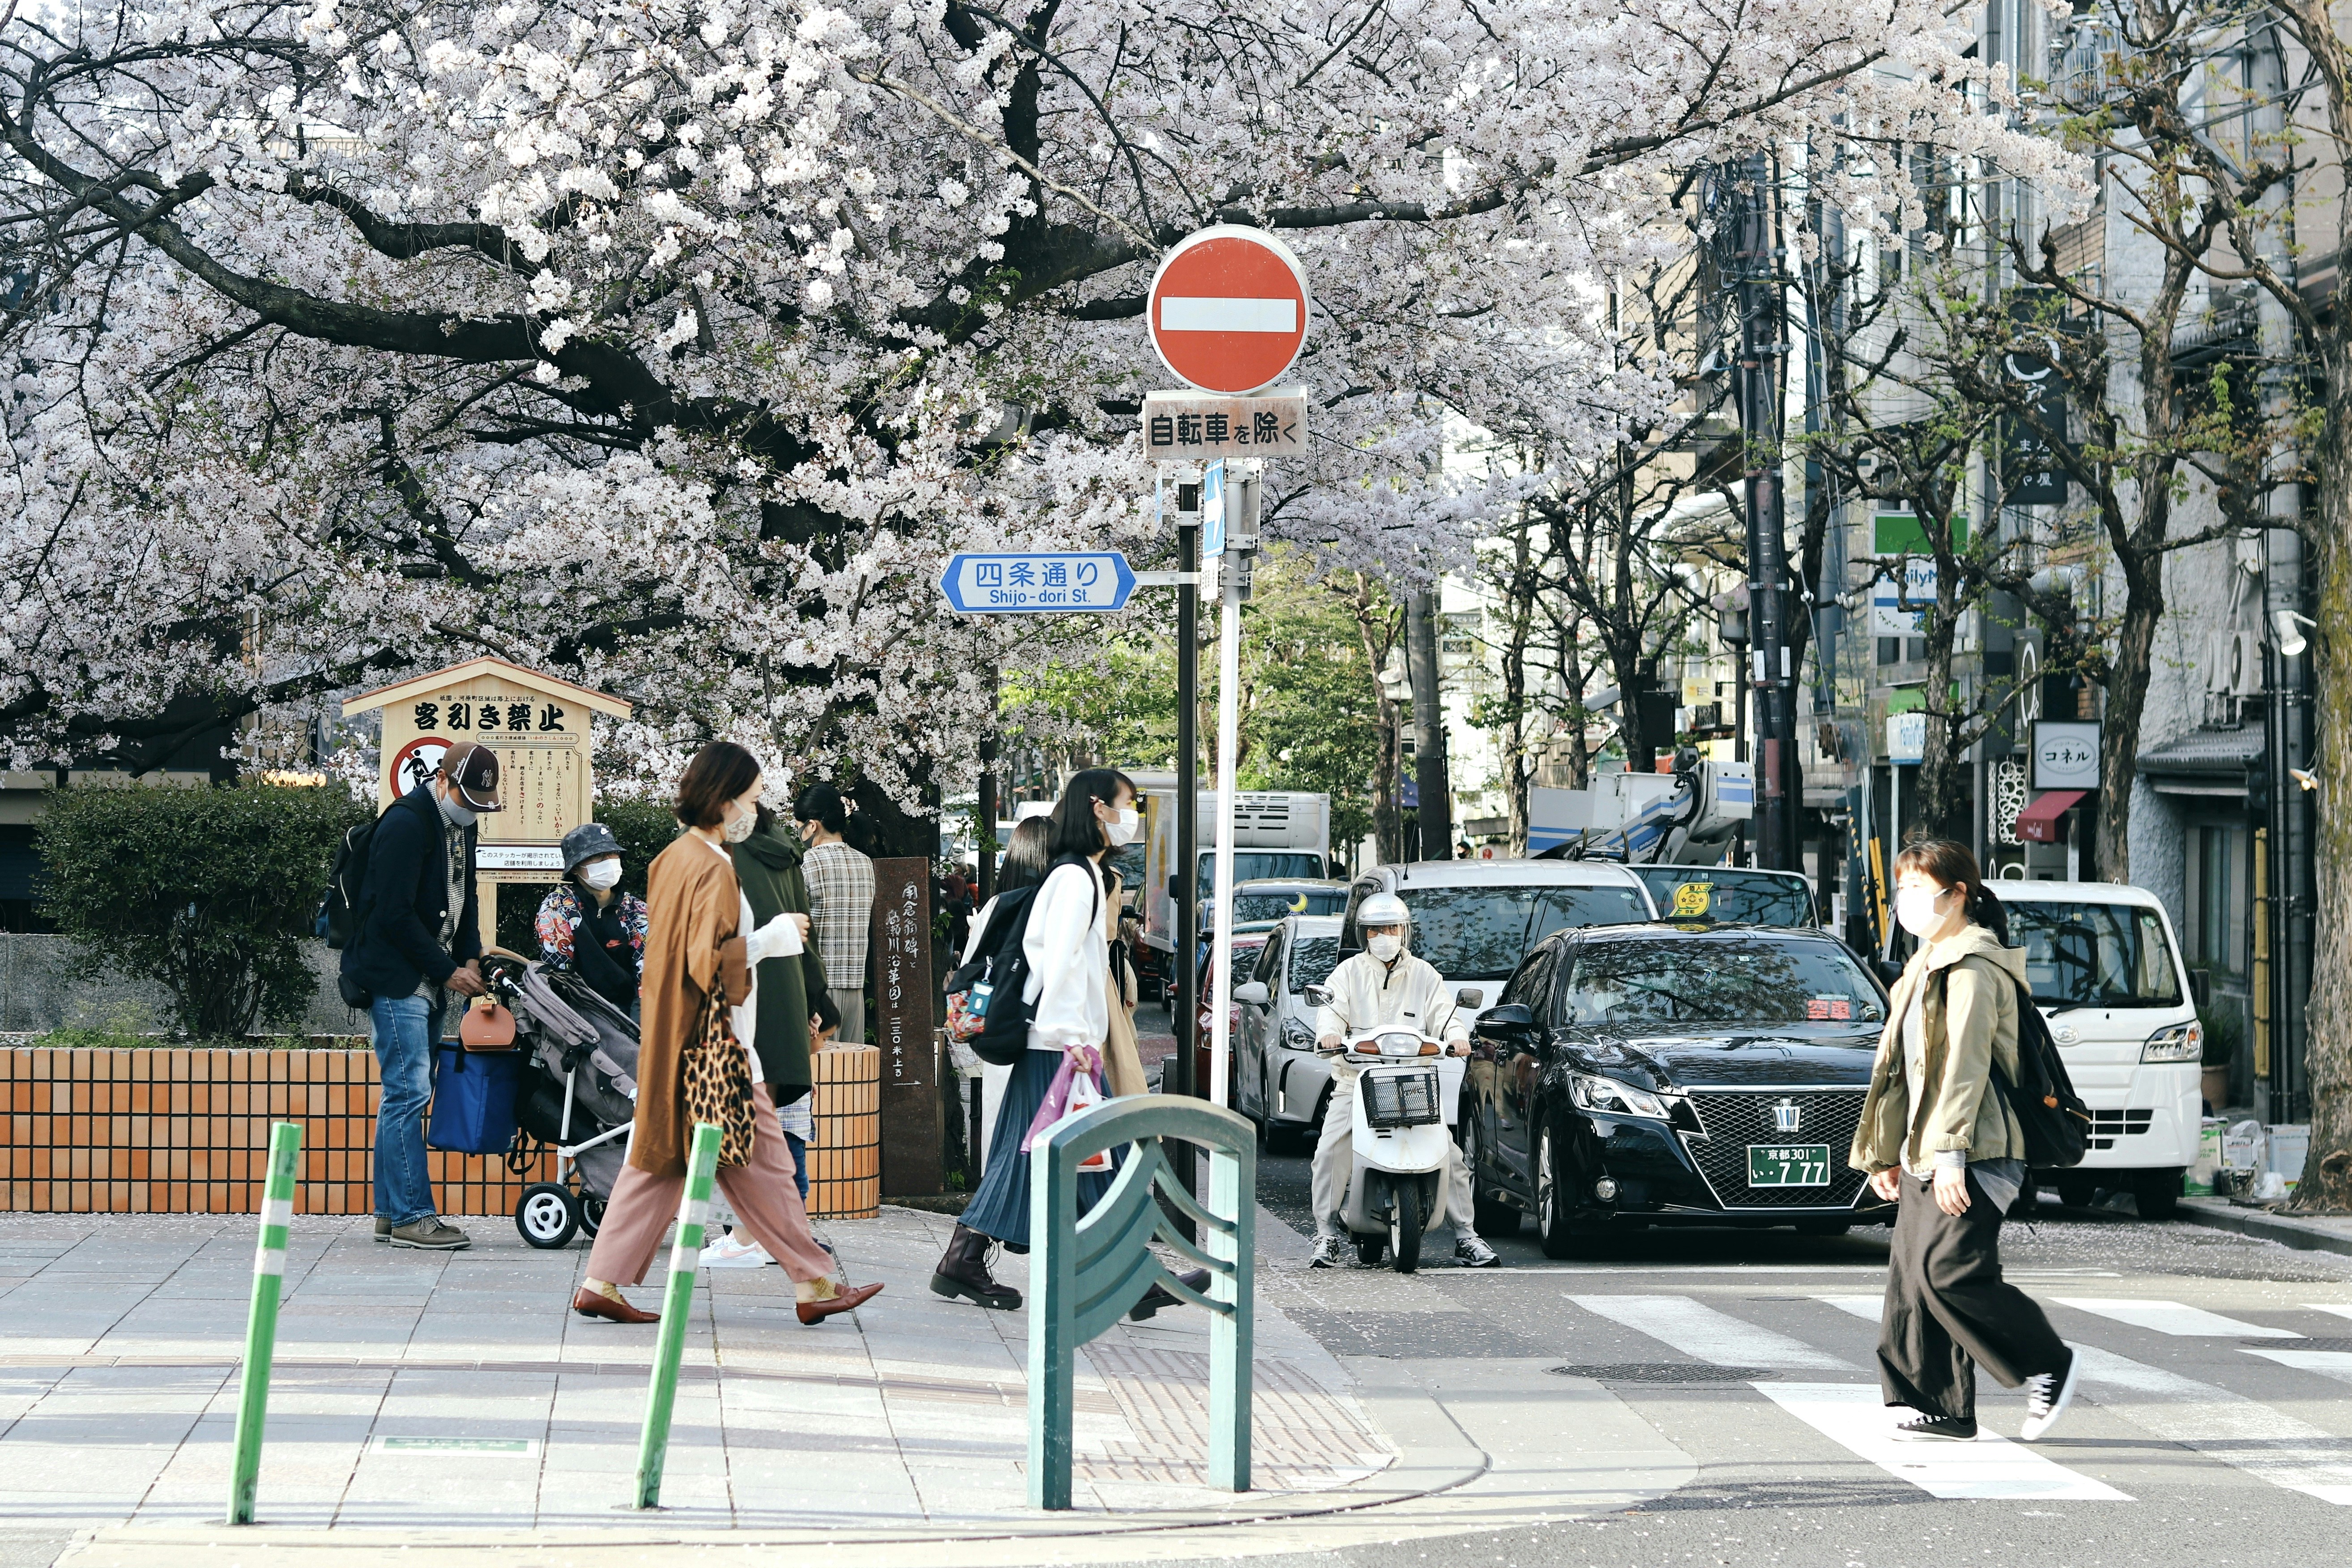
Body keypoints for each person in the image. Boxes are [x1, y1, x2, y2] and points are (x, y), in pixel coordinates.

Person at [570, 742, 882, 1328]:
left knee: (661, 1163)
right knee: (763, 1168)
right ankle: (813, 1282)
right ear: (724, 798)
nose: (755, 810)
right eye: (751, 798)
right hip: (720, 1050)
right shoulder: (714, 866)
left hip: (679, 1041)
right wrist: (771, 939)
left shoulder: (673, 858)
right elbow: (706, 964)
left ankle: (603, 1281)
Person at [938, 772, 1192, 1318]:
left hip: (1054, 1042)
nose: (1132, 816)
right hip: (1060, 1045)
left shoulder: (1076, 874)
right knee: (1092, 1155)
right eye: (1128, 804)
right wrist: (1075, 1039)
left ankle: (971, 1258)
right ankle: (1132, 1276)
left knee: (1049, 1156)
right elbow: (1059, 963)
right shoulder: (1077, 878)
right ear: (1098, 808)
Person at [1853, 838, 2077, 1443]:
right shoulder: (1922, 966)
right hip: (1928, 1149)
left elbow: (1965, 1068)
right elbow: (1900, 1074)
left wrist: (1950, 1154)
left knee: (1949, 1272)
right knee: (1912, 1278)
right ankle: (1942, 1405)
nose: (1905, 901)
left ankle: (2049, 1363)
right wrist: (1887, 1153)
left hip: (1977, 1151)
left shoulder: (1974, 969)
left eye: (1918, 889)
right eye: (1902, 888)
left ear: (1957, 896)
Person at [340, 739, 501, 1251]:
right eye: (466, 800)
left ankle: (390, 1213)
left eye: (480, 806)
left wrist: (470, 956)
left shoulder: (462, 825)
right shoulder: (407, 823)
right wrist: (448, 970)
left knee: (403, 1094)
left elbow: (466, 897)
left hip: (429, 975)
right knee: (409, 1092)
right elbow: (393, 914)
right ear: (442, 780)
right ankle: (414, 1216)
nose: (472, 812)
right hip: (397, 977)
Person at [1307, 891, 1500, 1270]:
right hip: (1356, 1082)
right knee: (1329, 1152)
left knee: (1451, 1156)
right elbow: (1331, 1012)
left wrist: (1457, 1037)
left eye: (1391, 928)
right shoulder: (1347, 974)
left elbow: (1445, 1014)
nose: (1384, 936)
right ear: (1364, 934)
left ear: (1405, 932)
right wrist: (1329, 1035)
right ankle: (1326, 1234)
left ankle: (1466, 1236)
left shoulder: (1424, 974)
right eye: (1375, 930)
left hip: (1412, 1084)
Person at [702, 800, 839, 1267]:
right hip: (788, 998)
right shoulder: (787, 855)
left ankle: (748, 1238)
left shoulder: (726, 855)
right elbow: (806, 934)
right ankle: (777, 1241)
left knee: (743, 1126)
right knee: (767, 1128)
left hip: (744, 999)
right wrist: (815, 1002)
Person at [929, 818, 1054, 1308]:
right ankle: (965, 1254)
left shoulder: (995, 906)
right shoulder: (1044, 908)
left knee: (1025, 1149)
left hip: (1000, 1042)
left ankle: (968, 1254)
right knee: (1027, 1151)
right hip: (1038, 1041)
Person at [535, 823, 649, 1012]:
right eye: (598, 856)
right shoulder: (558, 908)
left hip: (629, 1013)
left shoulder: (637, 910)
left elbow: (647, 977)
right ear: (575, 868)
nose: (609, 861)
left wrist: (638, 1025)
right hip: (577, 1012)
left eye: (613, 854)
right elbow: (559, 976)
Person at [797, 782, 875, 1044]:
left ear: (812, 825)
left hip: (819, 991)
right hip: (855, 987)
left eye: (799, 826)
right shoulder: (865, 863)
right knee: (852, 1068)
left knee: (819, 1066)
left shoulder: (808, 863)